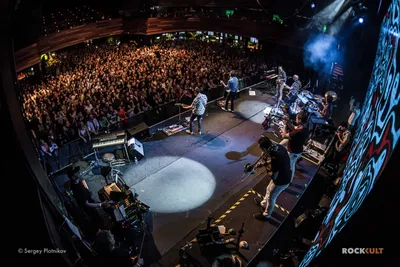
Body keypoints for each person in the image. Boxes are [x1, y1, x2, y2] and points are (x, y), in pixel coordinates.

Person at [253, 137, 291, 221]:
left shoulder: (275, 159)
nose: (261, 151)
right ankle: (263, 204)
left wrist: (266, 167)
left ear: (264, 148)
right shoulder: (278, 146)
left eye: (261, 149)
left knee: (271, 198)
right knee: (268, 189)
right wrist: (265, 163)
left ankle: (266, 215)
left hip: (281, 181)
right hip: (285, 174)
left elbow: (273, 176)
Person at [280, 111, 309, 182]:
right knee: (292, 166)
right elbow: (294, 128)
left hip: (292, 151)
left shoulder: (297, 132)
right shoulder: (304, 128)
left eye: (296, 118)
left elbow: (284, 136)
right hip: (298, 150)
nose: (295, 119)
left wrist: (283, 126)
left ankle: (285, 179)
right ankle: (290, 180)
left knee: (287, 165)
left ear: (299, 119)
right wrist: (288, 123)